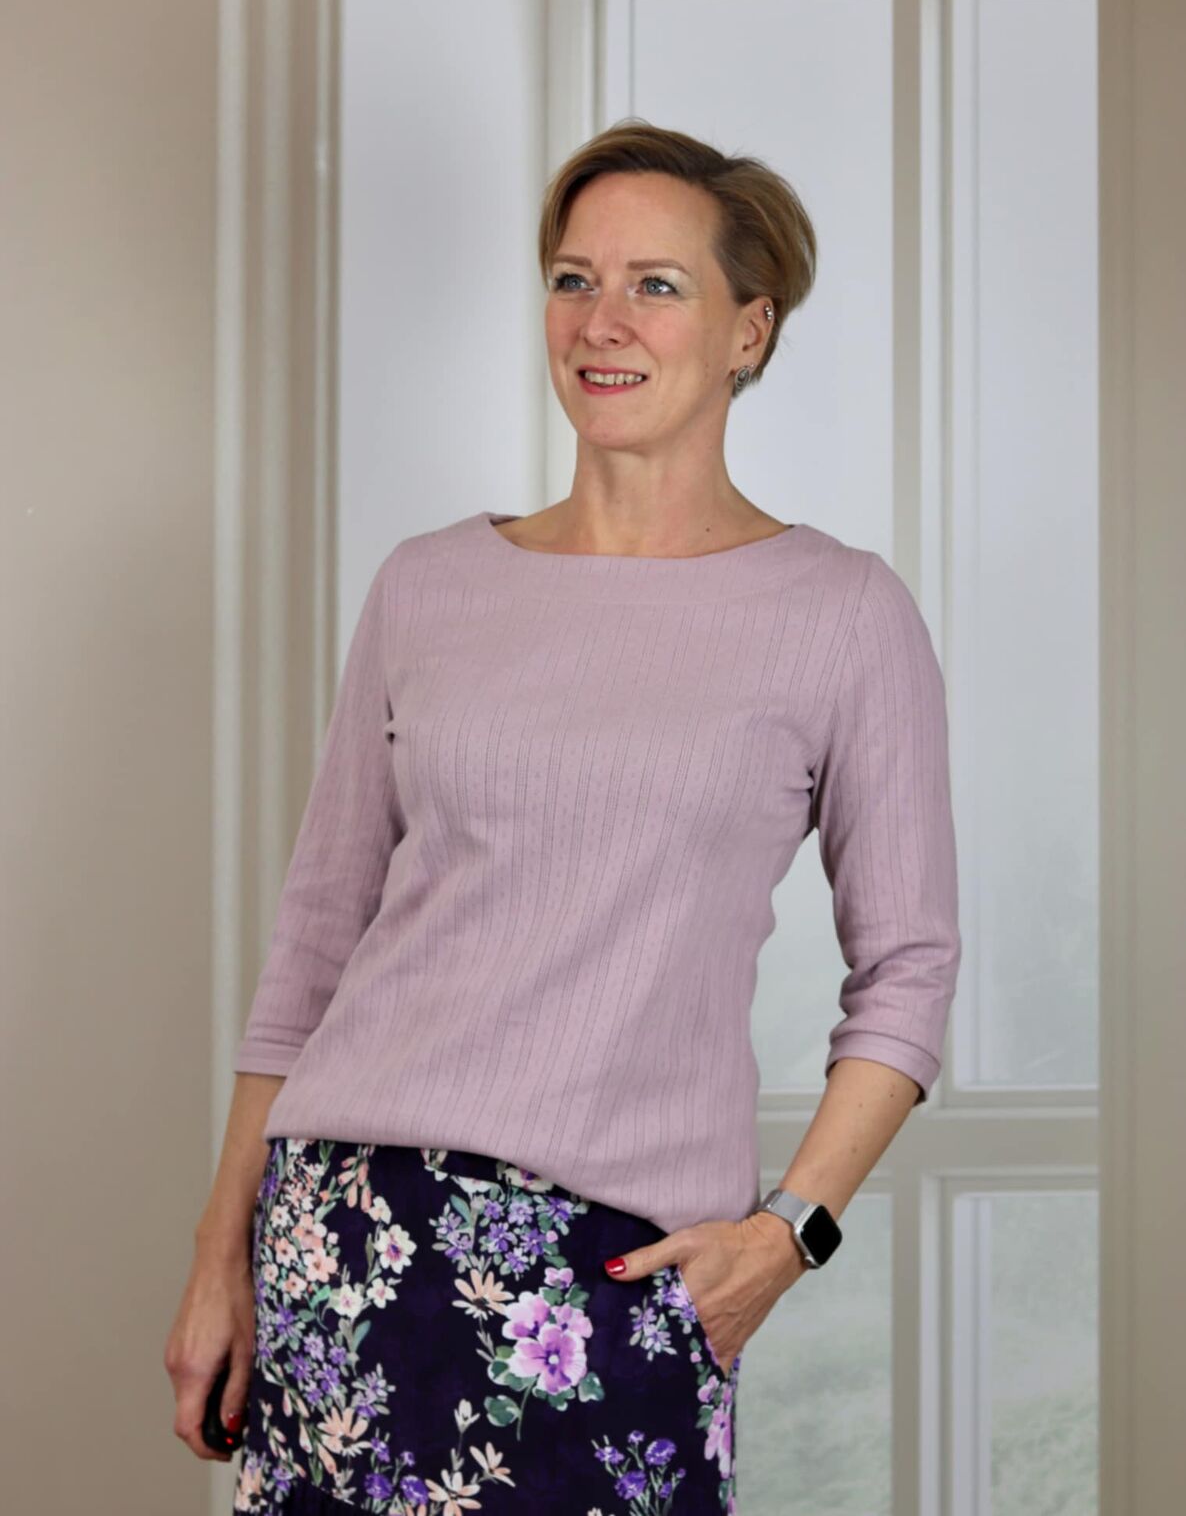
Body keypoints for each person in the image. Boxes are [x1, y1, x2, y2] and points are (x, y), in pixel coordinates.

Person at [165, 117, 961, 1514]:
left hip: (617, 1275)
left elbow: (909, 969)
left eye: (657, 284)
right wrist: (218, 1255)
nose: (603, 321)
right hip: (344, 1246)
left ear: (749, 329)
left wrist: (789, 1231)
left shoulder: (841, 613)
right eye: (572, 279)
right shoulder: (427, 586)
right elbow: (313, 948)